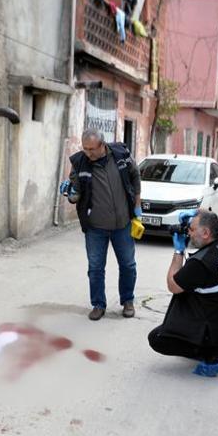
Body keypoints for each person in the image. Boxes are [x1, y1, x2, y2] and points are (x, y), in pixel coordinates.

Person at [147, 210, 218, 377]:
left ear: (206, 233)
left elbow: (173, 285)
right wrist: (196, 213)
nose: (188, 233)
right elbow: (211, 219)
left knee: (157, 339)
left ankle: (214, 354)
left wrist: (178, 251)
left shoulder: (200, 264)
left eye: (191, 229)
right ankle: (211, 345)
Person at [59, 129, 142, 321]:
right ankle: (98, 304)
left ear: (102, 145)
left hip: (123, 224)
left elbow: (135, 176)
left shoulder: (121, 155)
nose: (88, 153)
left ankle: (127, 301)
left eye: (92, 149)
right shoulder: (80, 163)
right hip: (96, 227)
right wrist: (70, 192)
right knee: (95, 268)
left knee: (128, 265)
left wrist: (137, 205)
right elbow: (76, 196)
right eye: (85, 148)